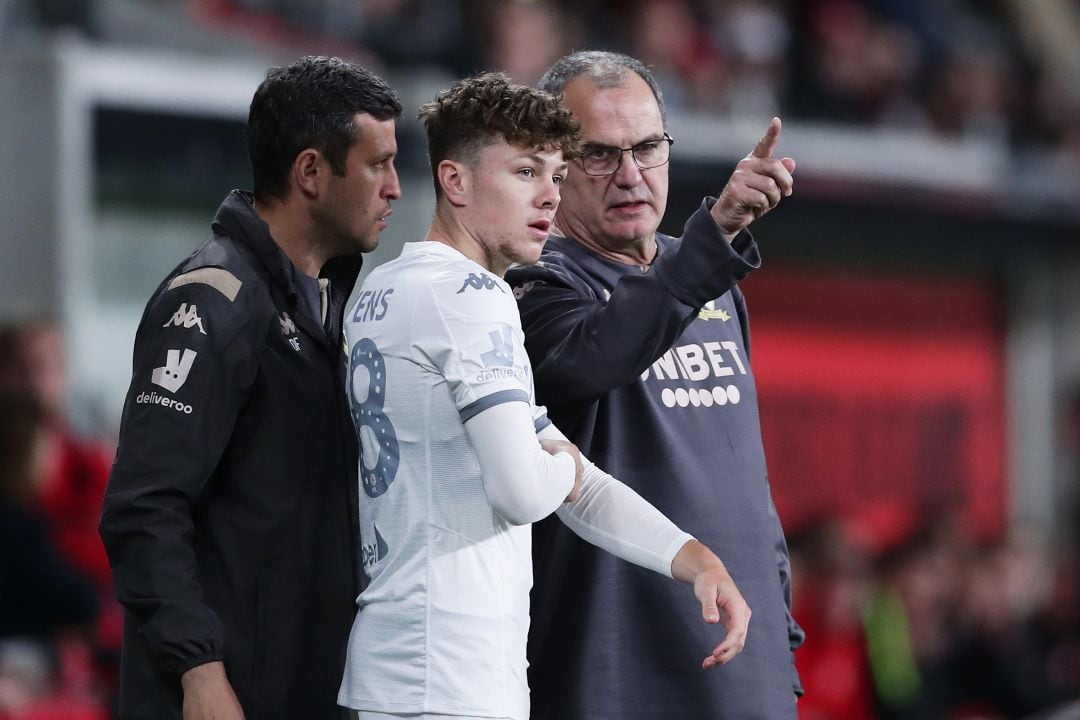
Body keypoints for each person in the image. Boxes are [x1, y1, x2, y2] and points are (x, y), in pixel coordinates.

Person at [337, 71, 751, 720]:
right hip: (451, 677)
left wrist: (689, 557)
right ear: (455, 181)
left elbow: (562, 484)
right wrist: (559, 456)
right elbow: (525, 490)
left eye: (557, 177)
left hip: (400, 664)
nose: (549, 199)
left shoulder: (384, 290)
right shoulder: (473, 298)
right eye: (526, 172)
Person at [98, 55, 402, 720]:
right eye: (378, 163)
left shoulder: (332, 309)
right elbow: (143, 506)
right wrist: (198, 672)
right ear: (312, 173)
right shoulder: (215, 302)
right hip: (224, 698)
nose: (396, 188)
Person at [504, 50, 804, 719]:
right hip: (612, 671)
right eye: (600, 155)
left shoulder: (704, 276)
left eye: (647, 147)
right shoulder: (532, 282)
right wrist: (714, 236)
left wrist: (780, 638)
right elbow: (595, 356)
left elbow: (744, 477)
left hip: (742, 669)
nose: (631, 174)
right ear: (551, 162)